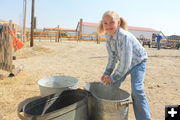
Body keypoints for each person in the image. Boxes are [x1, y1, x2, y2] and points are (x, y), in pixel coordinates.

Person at [98, 11, 151, 120]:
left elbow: (125, 65)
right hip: (125, 62)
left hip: (138, 61)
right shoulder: (108, 37)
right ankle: (110, 115)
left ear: (118, 23)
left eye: (111, 22)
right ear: (102, 24)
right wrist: (106, 73)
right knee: (110, 86)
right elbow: (112, 58)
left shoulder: (124, 37)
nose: (108, 26)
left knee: (137, 90)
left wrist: (112, 77)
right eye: (105, 23)